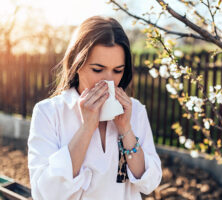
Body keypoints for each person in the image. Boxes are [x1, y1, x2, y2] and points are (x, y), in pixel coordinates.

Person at [27, 16, 162, 200]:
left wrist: (125, 129)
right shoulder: (49, 113)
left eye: (118, 71)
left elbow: (150, 183)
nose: (108, 81)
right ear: (77, 64)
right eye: (98, 69)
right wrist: (87, 128)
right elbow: (46, 193)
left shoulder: (135, 110)